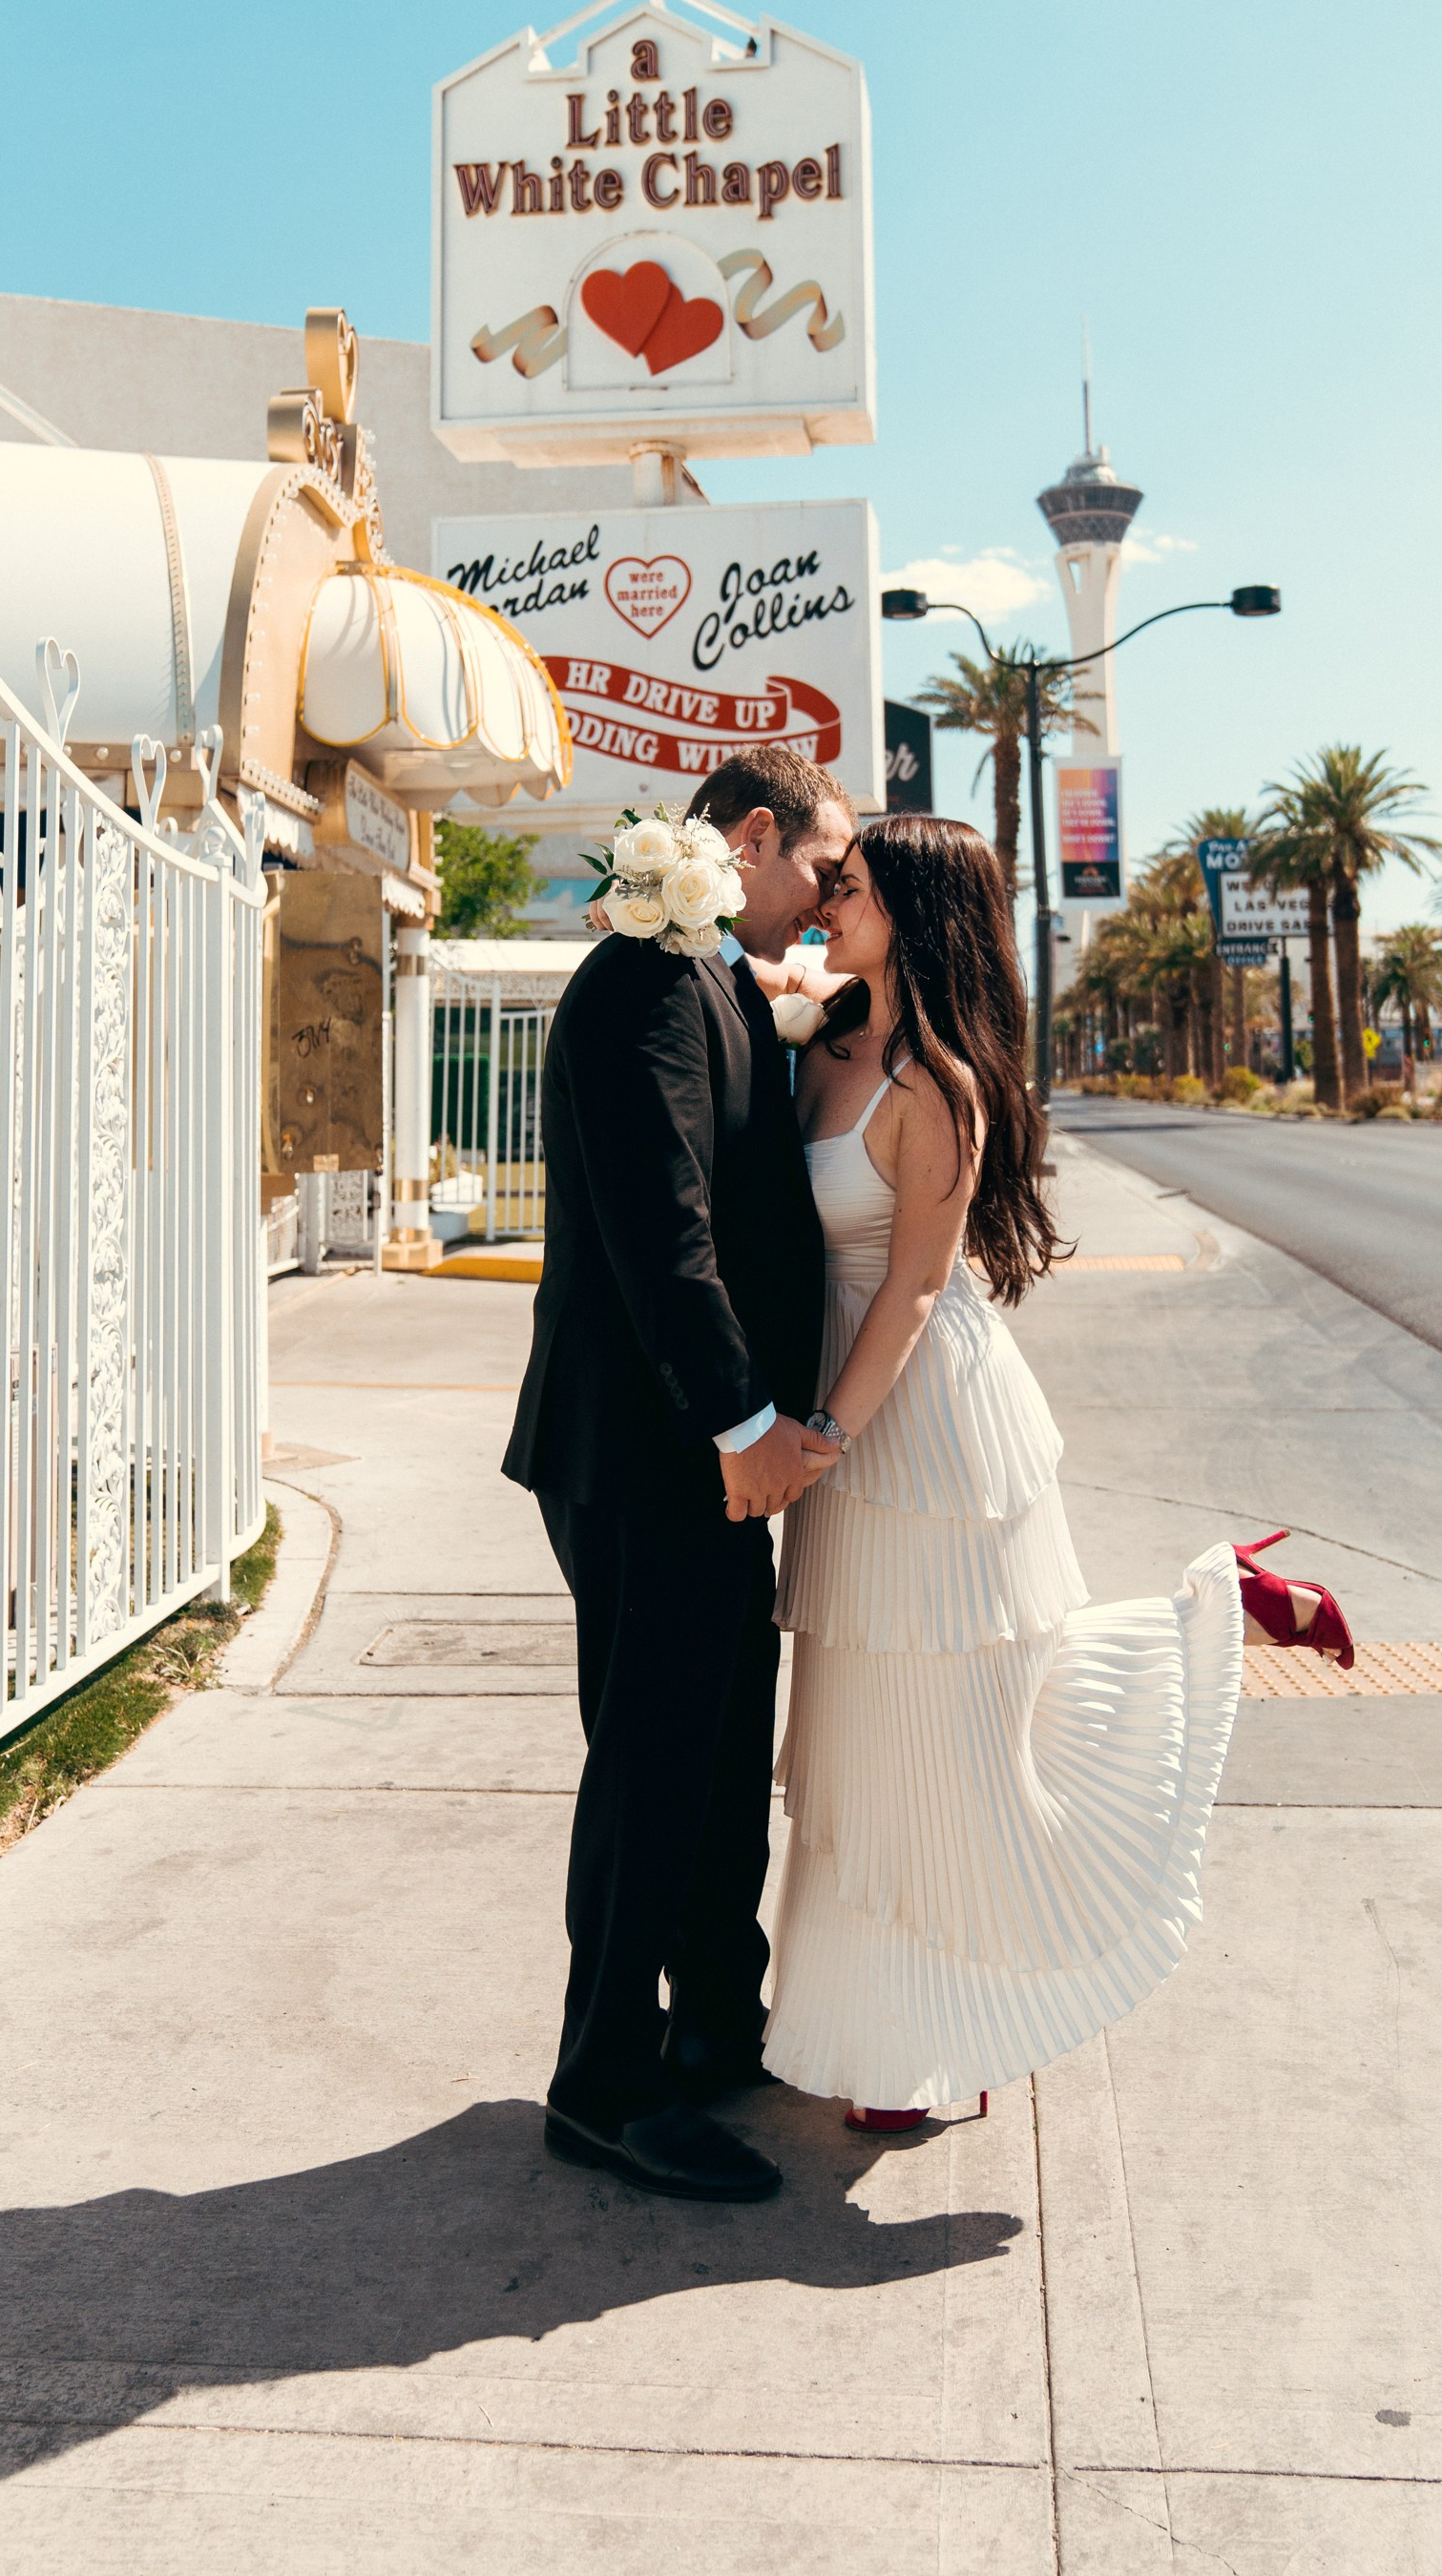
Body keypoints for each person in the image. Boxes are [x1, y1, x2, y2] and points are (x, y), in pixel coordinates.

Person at [760, 815, 1351, 2129]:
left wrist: (823, 1438)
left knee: (965, 1735)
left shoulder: (941, 1087)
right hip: (843, 1413)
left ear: (913, 910)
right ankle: (901, 2021)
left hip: (924, 1427)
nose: (827, 906)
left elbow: (913, 1292)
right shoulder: (823, 1044)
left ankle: (1216, 1610)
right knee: (859, 1730)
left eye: (848, 890)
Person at [504, 747, 856, 2204]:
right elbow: (664, 1229)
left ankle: (712, 2021)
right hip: (651, 1455)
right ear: (754, 838)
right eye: (822, 875)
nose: (826, 908)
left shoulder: (704, 972)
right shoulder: (643, 980)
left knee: (717, 1754)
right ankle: (602, 2086)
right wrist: (742, 1426)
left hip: (701, 1460)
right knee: (654, 1766)